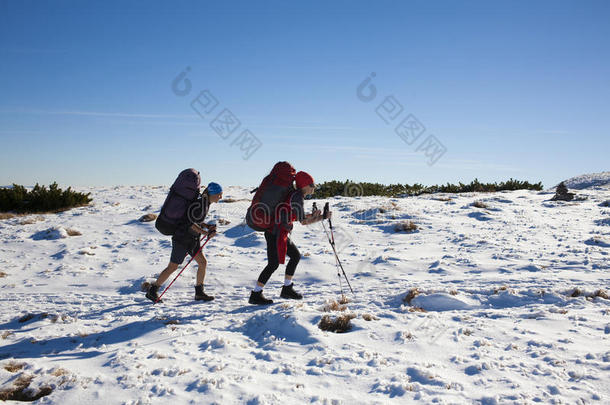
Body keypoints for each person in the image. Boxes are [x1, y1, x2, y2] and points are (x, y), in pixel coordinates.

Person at [249, 171, 330, 305]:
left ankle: (287, 288)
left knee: (295, 256)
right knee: (273, 264)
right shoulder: (297, 196)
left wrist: (314, 215)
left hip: (279, 232)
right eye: (312, 184)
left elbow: (299, 217)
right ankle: (256, 294)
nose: (313, 188)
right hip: (276, 233)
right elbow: (303, 222)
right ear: (304, 185)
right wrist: (322, 217)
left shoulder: (294, 195)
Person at [146, 182, 223, 303]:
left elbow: (195, 220)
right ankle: (153, 290)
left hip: (192, 240)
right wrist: (205, 233)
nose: (221, 197)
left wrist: (207, 226)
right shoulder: (200, 204)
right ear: (212, 194)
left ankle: (199, 293)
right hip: (182, 239)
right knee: (173, 267)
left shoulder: (204, 203)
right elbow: (190, 223)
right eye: (219, 194)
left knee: (202, 263)